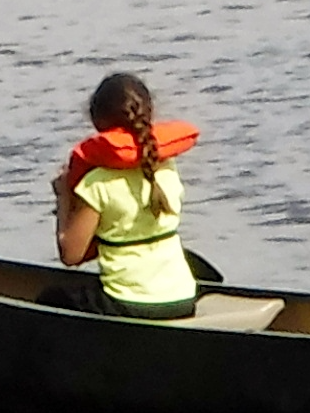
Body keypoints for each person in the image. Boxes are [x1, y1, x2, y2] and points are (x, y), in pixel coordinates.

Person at [54, 71, 200, 320]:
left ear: (98, 121)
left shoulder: (97, 182)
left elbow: (71, 254)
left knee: (52, 299)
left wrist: (64, 196)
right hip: (183, 298)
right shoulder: (166, 168)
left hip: (128, 304)